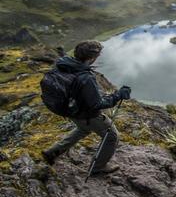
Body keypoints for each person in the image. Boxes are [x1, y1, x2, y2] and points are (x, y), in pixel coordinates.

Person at [42, 41, 131, 174]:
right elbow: (96, 104)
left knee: (83, 129)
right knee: (111, 136)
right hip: (86, 115)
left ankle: (52, 152)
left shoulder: (64, 64)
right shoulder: (85, 77)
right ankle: (97, 167)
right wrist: (118, 96)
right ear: (91, 58)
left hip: (69, 110)